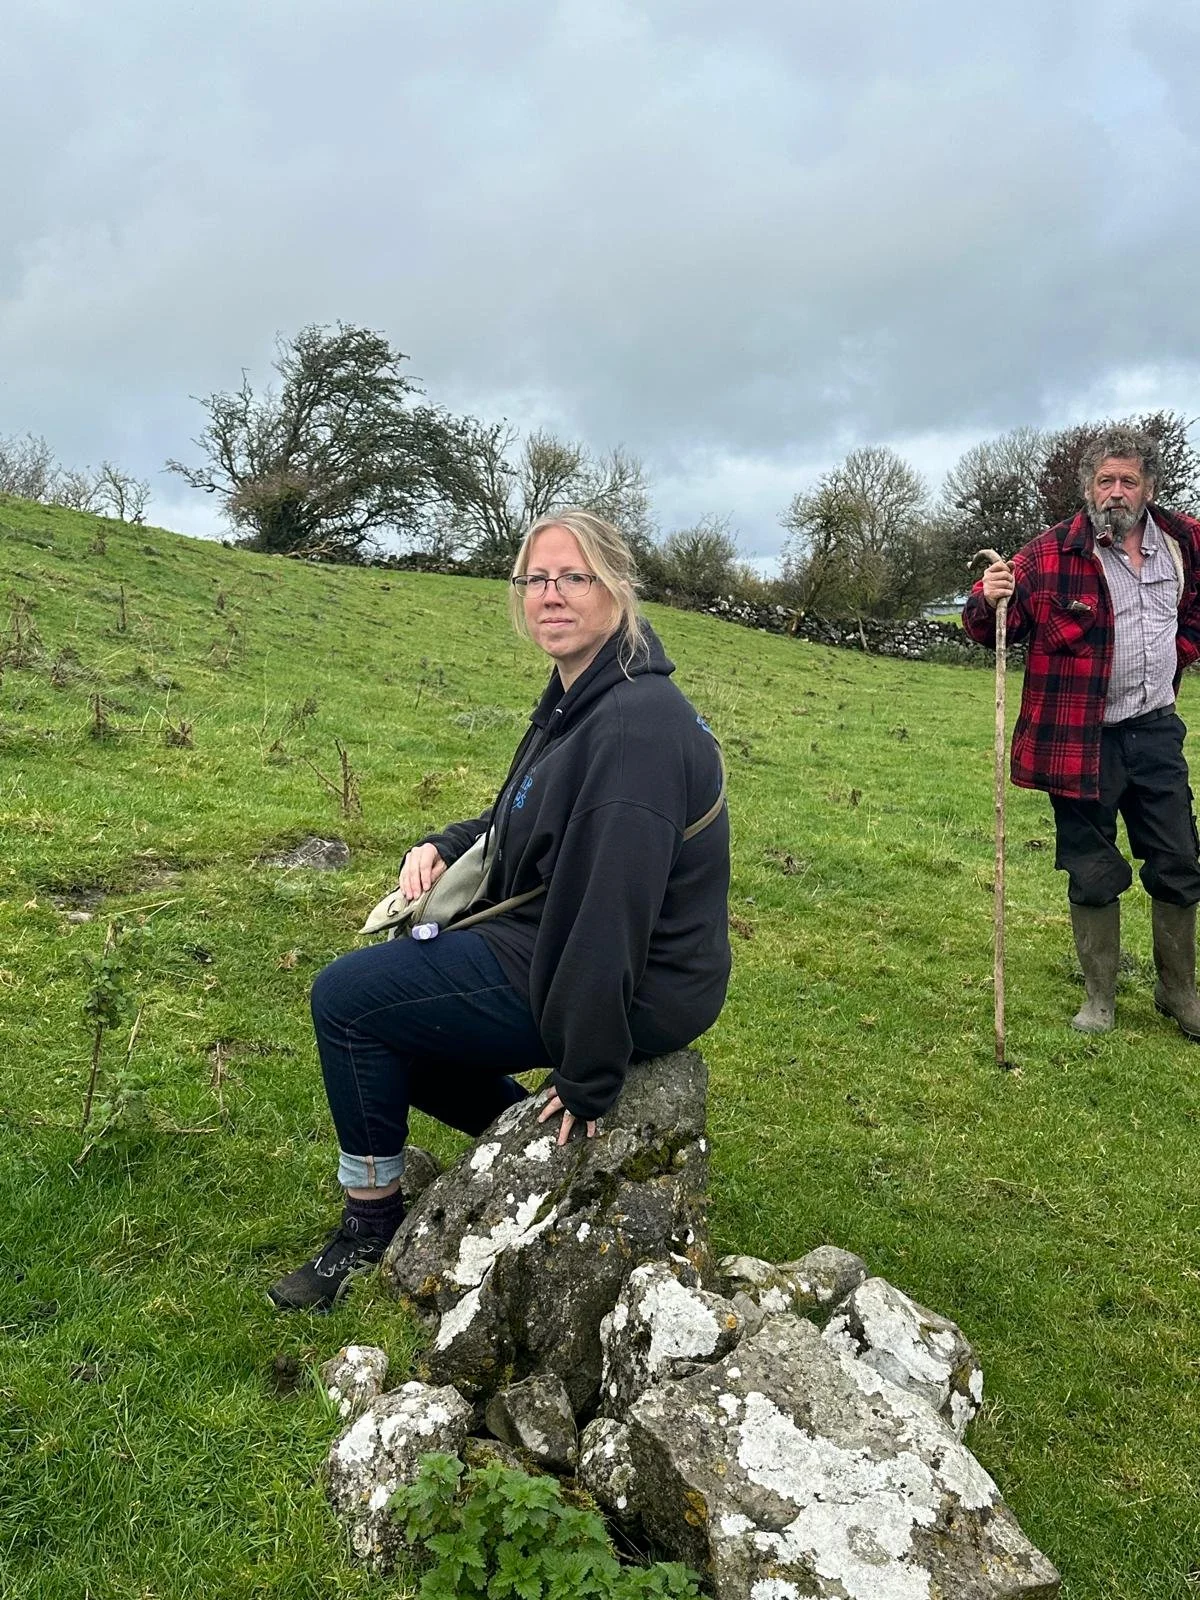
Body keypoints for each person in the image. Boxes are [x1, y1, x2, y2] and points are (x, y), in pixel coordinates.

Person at [270, 509, 731, 1310]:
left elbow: (610, 913)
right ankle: (523, 1139)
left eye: (574, 577)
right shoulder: (587, 691)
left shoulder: (634, 731)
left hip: (639, 980)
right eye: (535, 578)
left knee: (348, 1003)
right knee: (389, 1015)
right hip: (554, 928)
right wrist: (445, 844)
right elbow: (525, 809)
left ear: (618, 586)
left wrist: (588, 1075)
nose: (550, 595)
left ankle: (372, 1228)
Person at [963, 426, 1200, 1037]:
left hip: (1156, 730)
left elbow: (1197, 606)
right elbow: (992, 625)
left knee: (1179, 861)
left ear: (1149, 487)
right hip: (1080, 739)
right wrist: (987, 597)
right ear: (1089, 488)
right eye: (1105, 480)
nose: (1116, 492)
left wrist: (1182, 651)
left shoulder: (1185, 542)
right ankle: (1099, 999)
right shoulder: (1049, 554)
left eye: (1128, 480)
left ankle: (1179, 992)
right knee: (1092, 868)